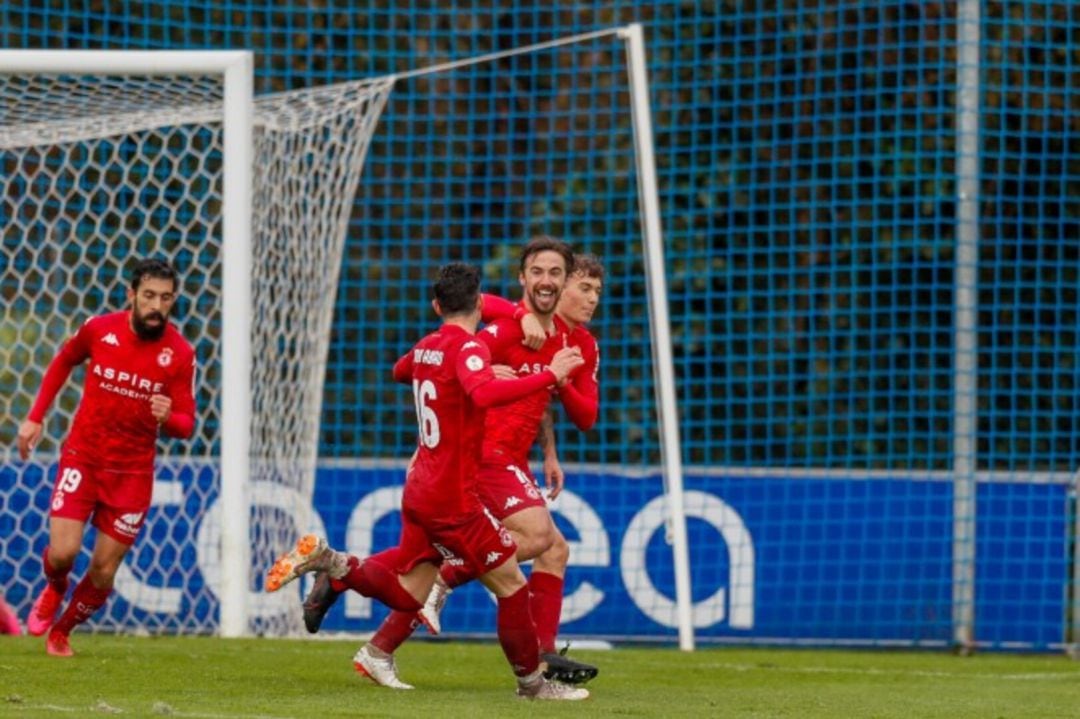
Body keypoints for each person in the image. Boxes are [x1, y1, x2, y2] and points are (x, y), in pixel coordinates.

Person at [265, 262, 589, 700]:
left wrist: (453, 374)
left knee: (406, 592)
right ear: (478, 303)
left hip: (420, 489)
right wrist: (548, 375)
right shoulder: (470, 349)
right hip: (455, 498)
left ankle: (333, 562)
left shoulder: (427, 346)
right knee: (513, 586)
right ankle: (533, 685)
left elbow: (402, 371)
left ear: (437, 305)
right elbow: (481, 393)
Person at [16, 257, 197, 657]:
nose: (156, 306)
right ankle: (55, 586)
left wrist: (169, 418)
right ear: (132, 295)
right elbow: (64, 360)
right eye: (148, 295)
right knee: (62, 553)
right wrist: (34, 418)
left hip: (132, 474)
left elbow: (187, 424)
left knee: (102, 571)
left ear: (172, 301)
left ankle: (61, 632)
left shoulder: (180, 354)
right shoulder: (100, 329)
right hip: (83, 457)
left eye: (165, 298)